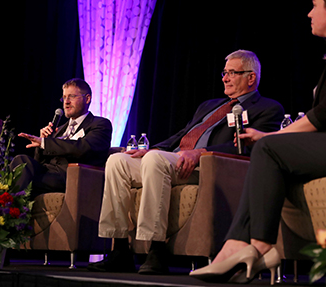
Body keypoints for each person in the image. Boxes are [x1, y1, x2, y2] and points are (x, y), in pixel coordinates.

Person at [189, 0, 326, 284]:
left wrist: (270, 137)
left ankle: (253, 247)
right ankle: (248, 247)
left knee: (268, 149)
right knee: (269, 153)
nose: (309, 13)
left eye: (315, 5)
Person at [87, 50, 285, 274]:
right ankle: (120, 249)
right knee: (117, 161)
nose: (225, 78)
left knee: (154, 160)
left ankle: (156, 249)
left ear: (251, 77)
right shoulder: (210, 105)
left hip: (209, 166)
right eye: (224, 72)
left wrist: (200, 152)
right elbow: (182, 134)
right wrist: (156, 148)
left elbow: (247, 147)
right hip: (174, 160)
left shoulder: (268, 108)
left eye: (232, 73)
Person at [10, 78, 112, 196]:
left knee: (19, 177)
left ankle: (3, 207)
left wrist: (45, 143)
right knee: (21, 161)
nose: (66, 102)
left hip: (71, 177)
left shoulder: (100, 124)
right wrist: (42, 143)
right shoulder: (60, 129)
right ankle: (7, 207)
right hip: (48, 173)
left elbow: (82, 148)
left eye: (72, 96)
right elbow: (39, 162)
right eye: (64, 97)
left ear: (87, 98)